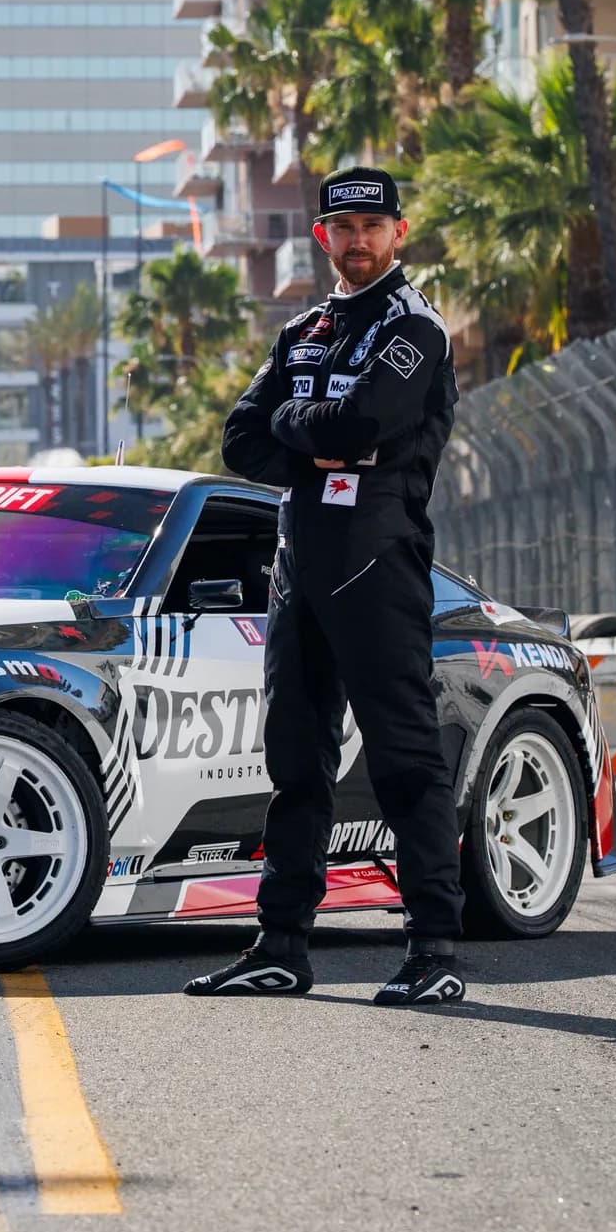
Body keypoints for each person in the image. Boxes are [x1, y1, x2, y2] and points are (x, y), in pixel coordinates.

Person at [185, 167, 466, 1008]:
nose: (357, 240)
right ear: (322, 238)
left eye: (372, 226)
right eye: (342, 227)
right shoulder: (302, 328)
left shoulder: (416, 328)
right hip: (298, 566)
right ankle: (280, 947)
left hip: (379, 562)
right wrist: (319, 447)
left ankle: (434, 949)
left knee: (404, 760)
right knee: (294, 763)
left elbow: (362, 421)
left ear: (399, 233)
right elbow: (240, 439)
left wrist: (304, 434)